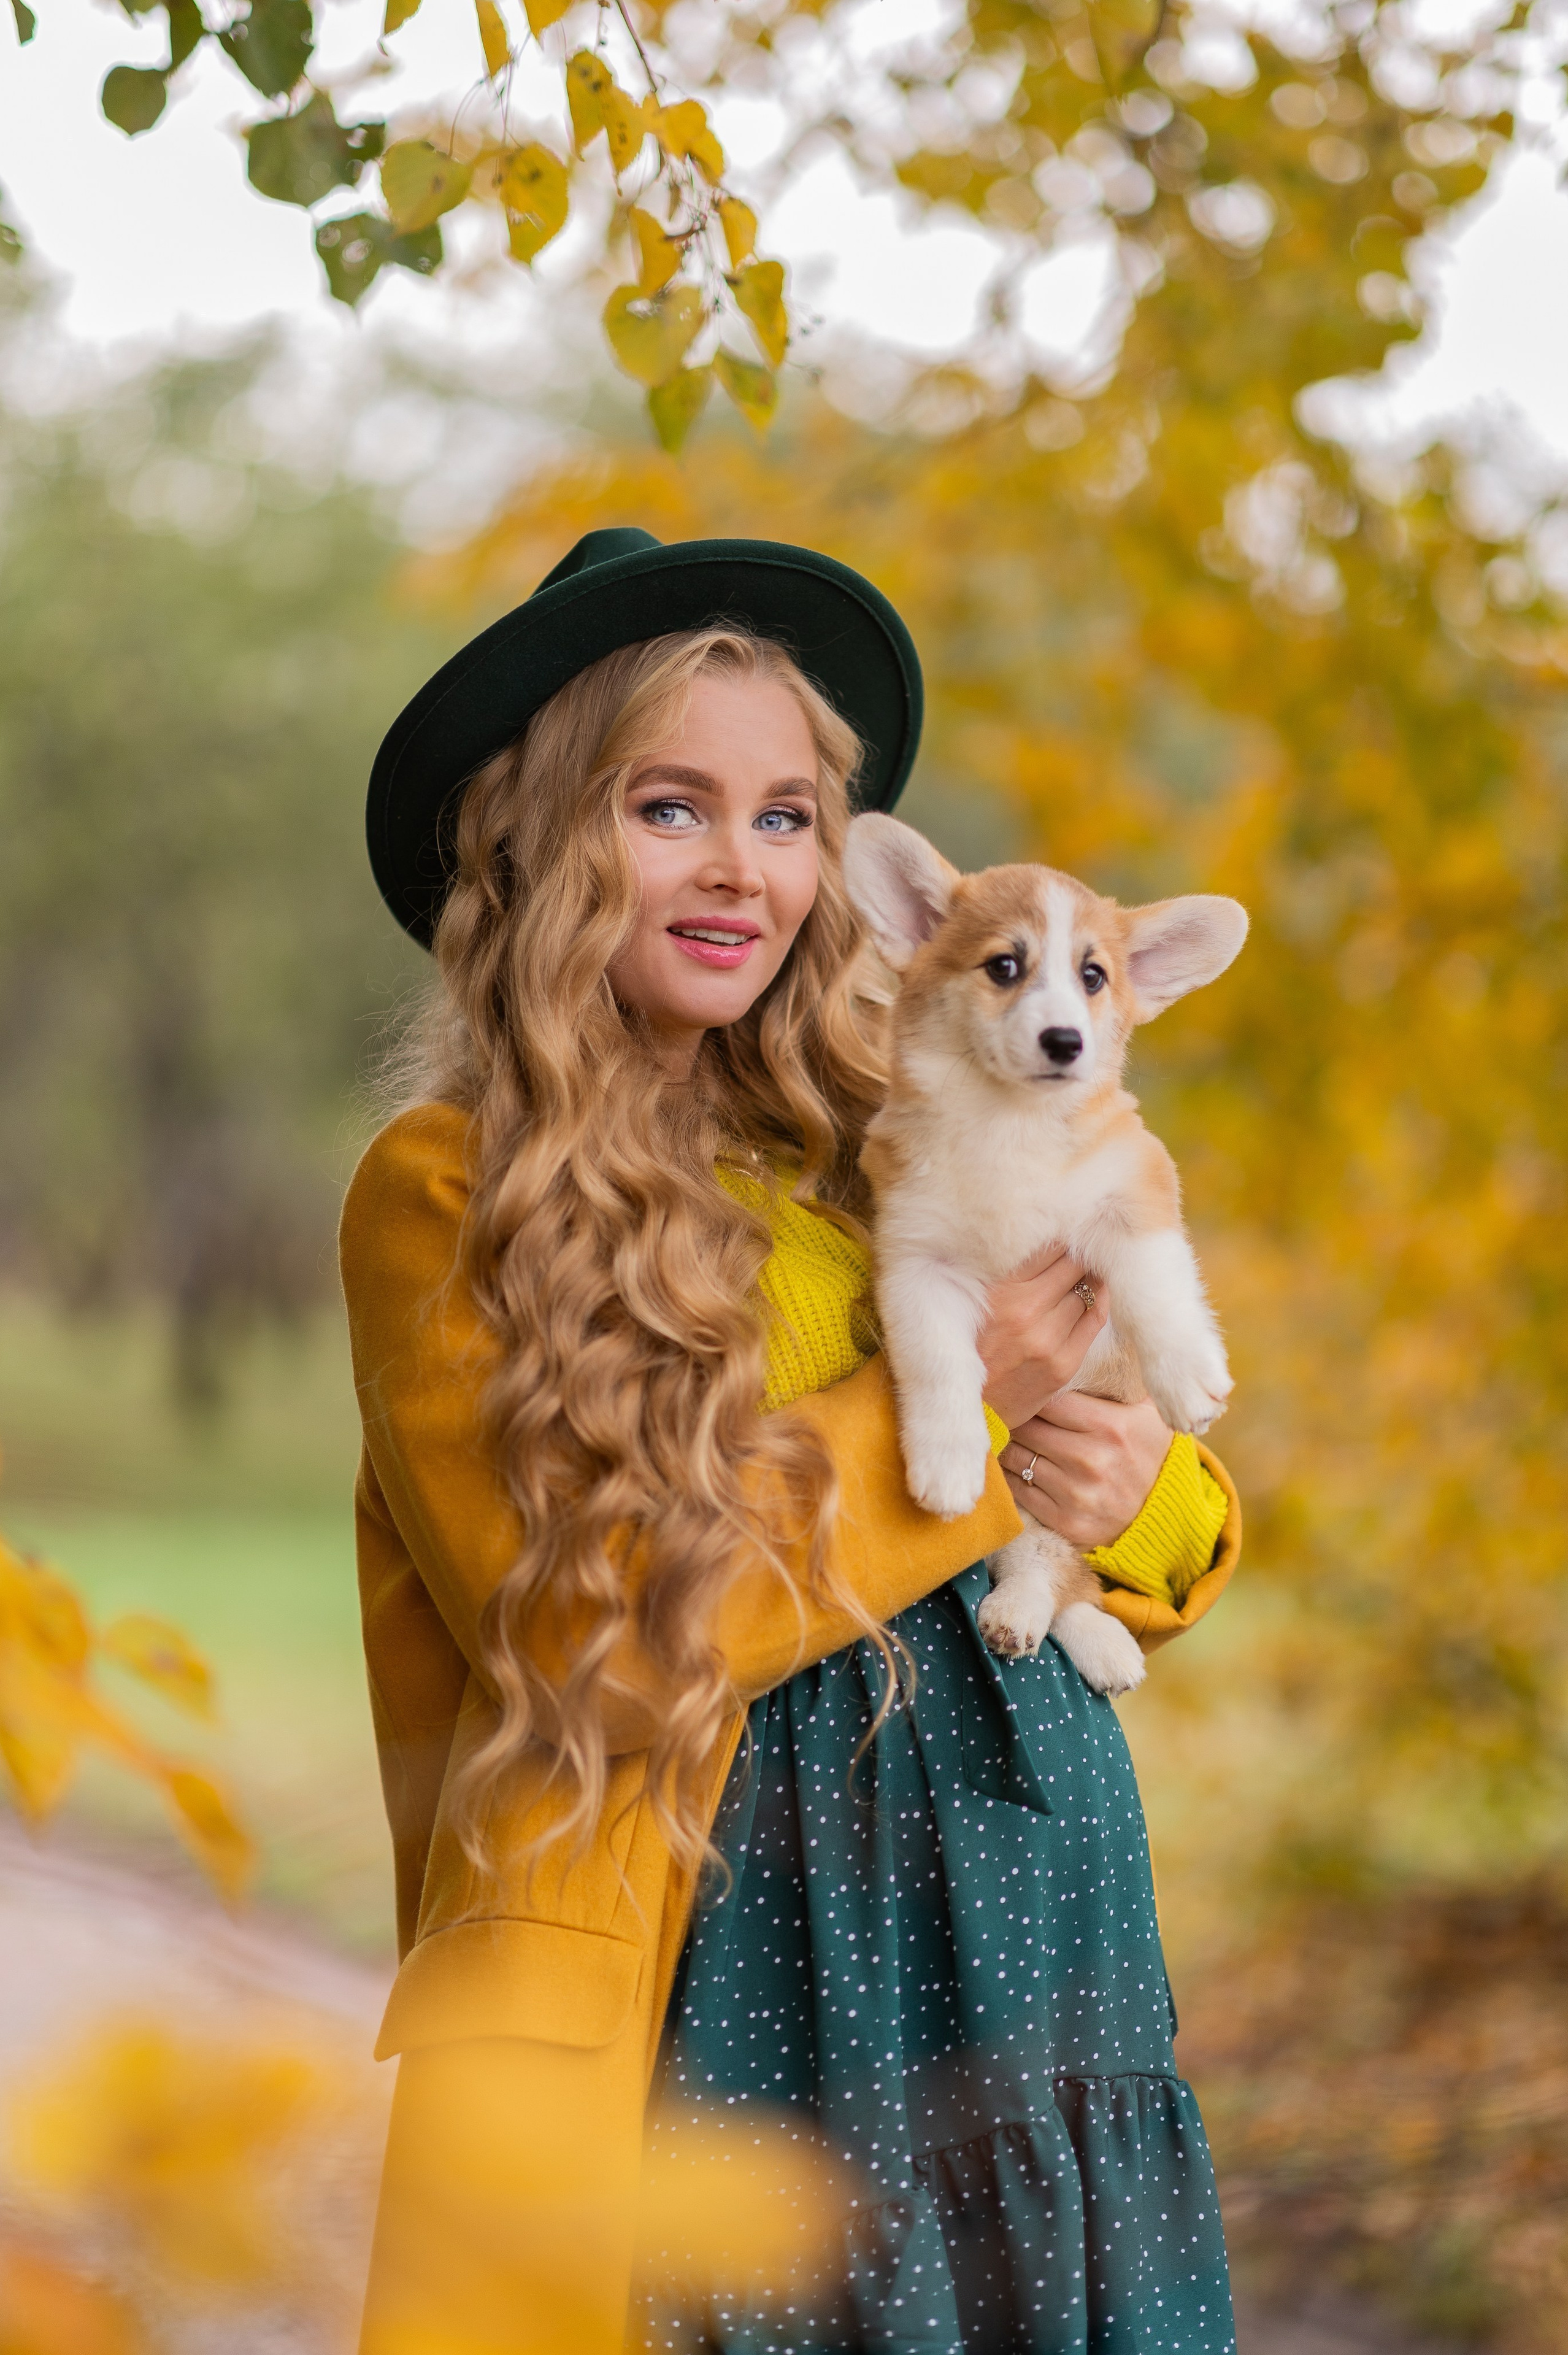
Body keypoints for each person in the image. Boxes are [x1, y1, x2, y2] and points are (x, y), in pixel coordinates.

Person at [340, 528, 1242, 2355]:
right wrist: (965, 1404)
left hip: (1018, 1939)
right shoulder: (443, 1196)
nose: (739, 869)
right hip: (725, 1976)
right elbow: (582, 1639)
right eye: (668, 807)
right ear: (528, 839)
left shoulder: (895, 1133)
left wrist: (1144, 1502)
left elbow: (1154, 1501)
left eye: (783, 817)